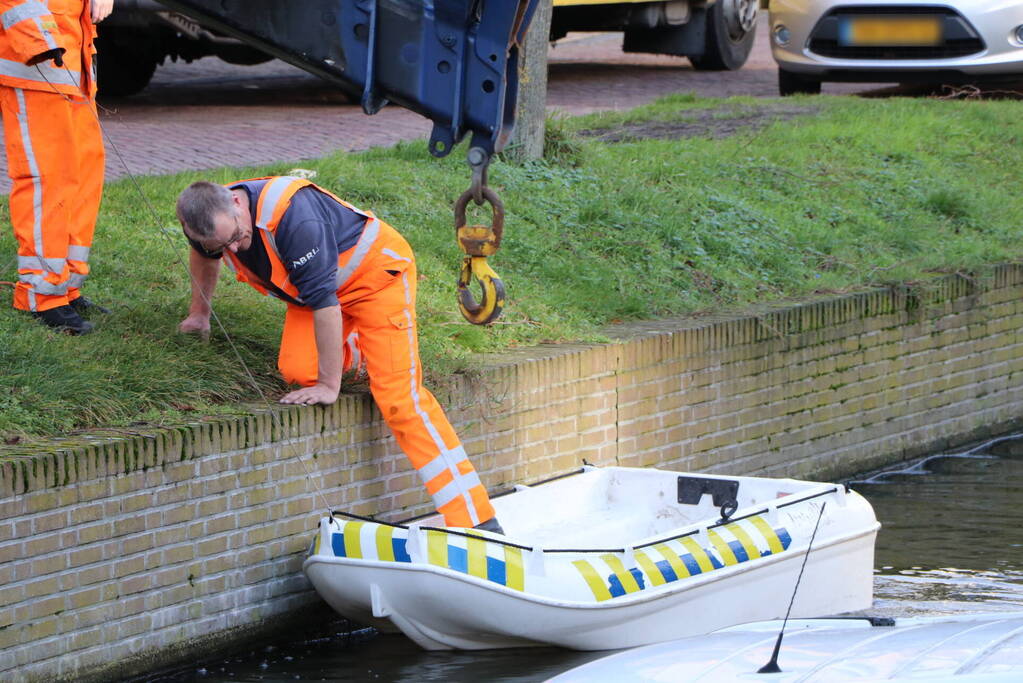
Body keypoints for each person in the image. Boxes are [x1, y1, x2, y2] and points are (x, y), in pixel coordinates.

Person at [175, 176, 504, 533]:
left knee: (397, 398)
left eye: (237, 237)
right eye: (223, 246)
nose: (235, 250)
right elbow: (204, 255)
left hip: (377, 281)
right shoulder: (208, 218)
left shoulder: (294, 219)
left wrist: (330, 386)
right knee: (299, 372)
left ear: (237, 205)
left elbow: (325, 306)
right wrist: (199, 314)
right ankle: (369, 350)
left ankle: (476, 519)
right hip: (319, 294)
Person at [0, 0, 113, 334]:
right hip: (38, 63)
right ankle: (41, 296)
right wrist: (42, 44)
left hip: (71, 62)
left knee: (83, 176)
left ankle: (65, 287)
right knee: (48, 179)